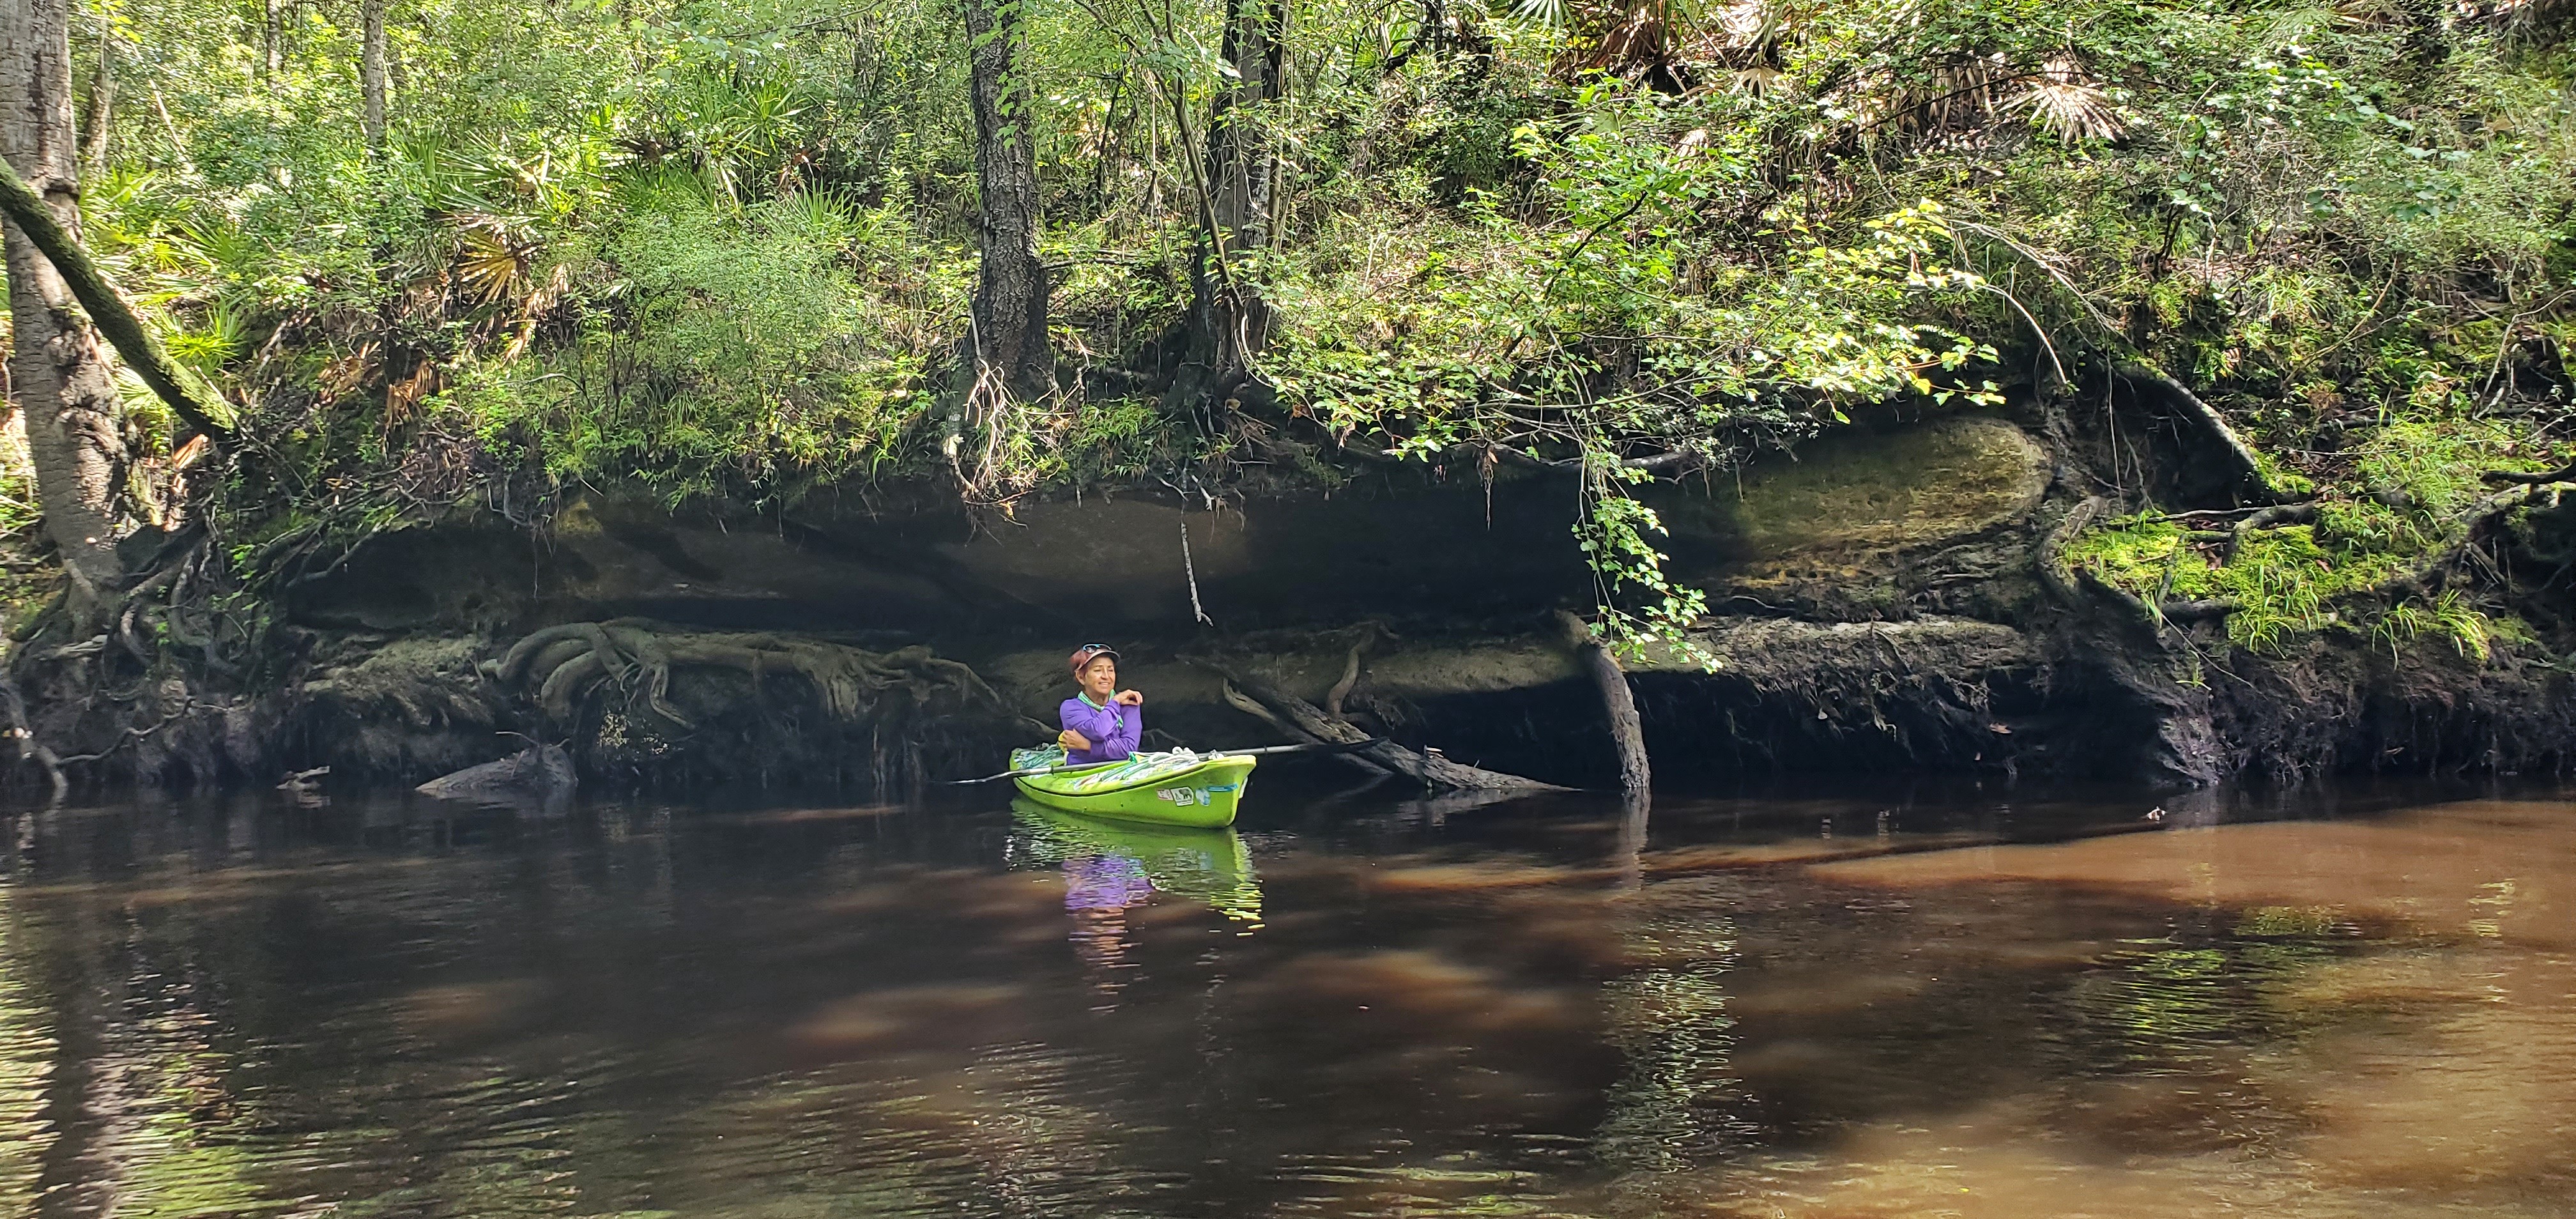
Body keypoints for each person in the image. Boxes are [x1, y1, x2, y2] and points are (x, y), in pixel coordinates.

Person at [1058, 643, 1144, 764]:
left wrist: (1090, 746)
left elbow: (1129, 749)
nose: (1106, 676)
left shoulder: (1129, 704)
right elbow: (1098, 731)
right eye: (1098, 670)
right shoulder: (1070, 707)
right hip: (1082, 771)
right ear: (1081, 677)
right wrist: (1115, 702)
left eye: (1110, 670)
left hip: (1121, 769)